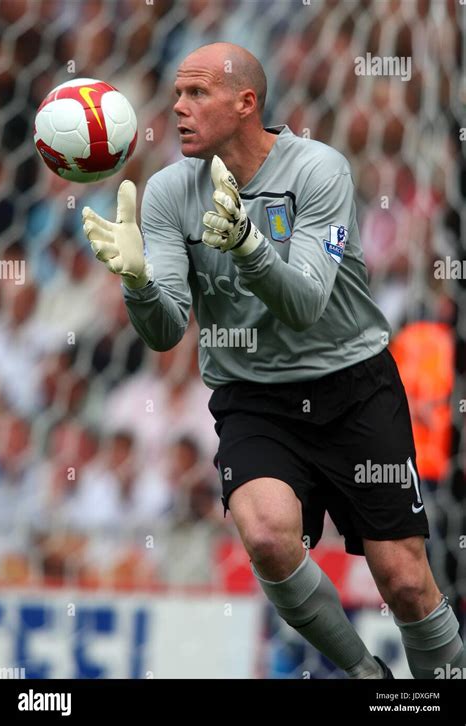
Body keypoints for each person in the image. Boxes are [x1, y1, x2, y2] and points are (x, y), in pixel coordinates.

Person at [82, 42, 465, 679]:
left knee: (402, 579)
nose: (177, 107)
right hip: (253, 396)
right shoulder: (169, 193)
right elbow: (165, 330)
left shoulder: (320, 172)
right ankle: (368, 677)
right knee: (265, 535)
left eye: (196, 93)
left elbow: (308, 302)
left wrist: (250, 246)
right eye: (176, 93)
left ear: (246, 103)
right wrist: (139, 282)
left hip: (354, 386)